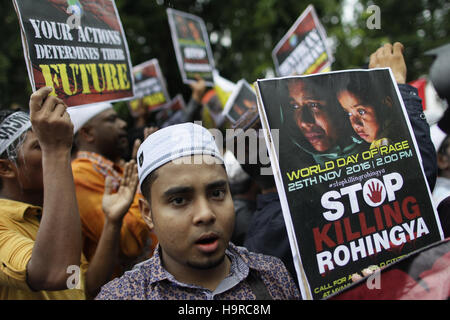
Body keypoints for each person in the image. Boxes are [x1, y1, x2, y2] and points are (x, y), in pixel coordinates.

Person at [96, 122, 300, 300]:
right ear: (148, 213)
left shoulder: (272, 275)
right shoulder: (123, 295)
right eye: (179, 200)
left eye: (217, 193)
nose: (205, 214)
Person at [0, 87, 138, 299]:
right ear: (6, 169)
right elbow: (55, 274)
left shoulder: (48, 214)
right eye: (40, 145)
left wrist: (112, 222)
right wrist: (55, 149)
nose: (60, 146)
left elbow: (84, 286)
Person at [68, 103, 157, 279]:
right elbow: (128, 243)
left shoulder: (114, 169)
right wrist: (143, 181)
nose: (123, 123)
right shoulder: (79, 175)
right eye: (111, 119)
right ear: (87, 133)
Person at [284, 76, 365, 165]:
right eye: (295, 106)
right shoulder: (296, 167)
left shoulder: (378, 142)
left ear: (339, 106)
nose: (304, 123)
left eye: (313, 105)